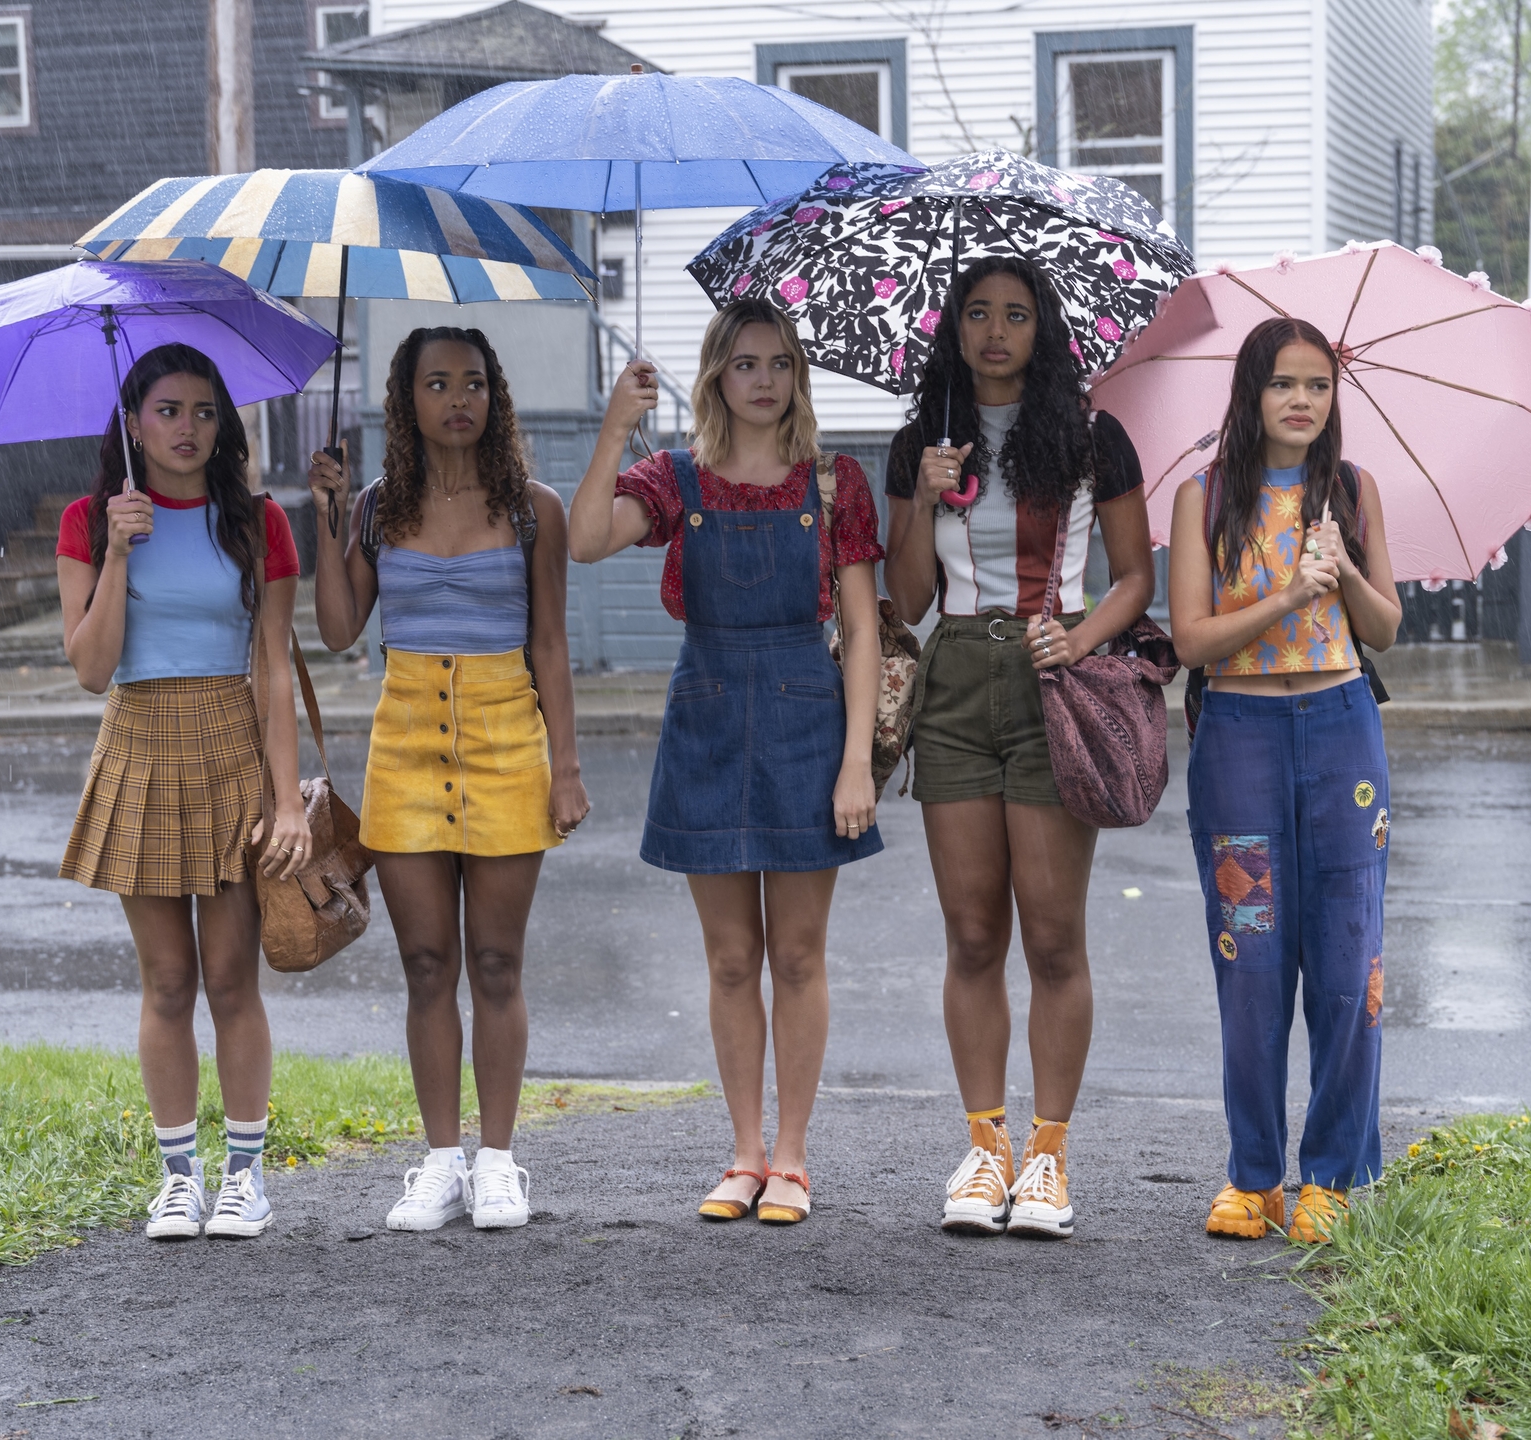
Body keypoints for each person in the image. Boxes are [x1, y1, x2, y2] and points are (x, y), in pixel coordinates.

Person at [567, 298, 883, 1227]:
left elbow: (862, 630)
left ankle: (792, 1157)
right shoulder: (673, 477)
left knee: (796, 952)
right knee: (731, 957)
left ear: (798, 377)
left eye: (780, 364)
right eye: (745, 364)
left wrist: (856, 759)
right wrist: (613, 430)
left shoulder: (833, 484)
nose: (764, 381)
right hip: (705, 716)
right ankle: (742, 1153)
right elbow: (585, 541)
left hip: (806, 721)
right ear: (715, 375)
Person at [882, 256, 1155, 1239]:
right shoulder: (922, 443)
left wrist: (1078, 637)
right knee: (970, 936)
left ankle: (1048, 1154)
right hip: (953, 681)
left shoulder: (1091, 437)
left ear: (1044, 333)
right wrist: (919, 492)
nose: (996, 331)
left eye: (1017, 316)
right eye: (979, 314)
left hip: (1054, 682)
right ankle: (985, 1144)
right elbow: (906, 597)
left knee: (1050, 936)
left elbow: (1134, 578)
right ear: (954, 329)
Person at [309, 326, 587, 1232]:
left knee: (497, 963)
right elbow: (343, 628)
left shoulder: (534, 508)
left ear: (494, 396)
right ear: (409, 399)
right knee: (427, 965)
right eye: (437, 383)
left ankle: (500, 1161)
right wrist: (326, 514)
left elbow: (550, 643)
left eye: (472, 382)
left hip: (510, 740)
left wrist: (566, 769)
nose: (457, 398)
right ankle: (439, 1162)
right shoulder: (379, 508)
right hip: (404, 745)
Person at [57, 343, 310, 1242]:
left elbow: (274, 667)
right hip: (137, 743)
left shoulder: (258, 523)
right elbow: (90, 669)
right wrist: (119, 553)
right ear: (131, 422)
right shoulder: (91, 519)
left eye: (204, 411)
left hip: (230, 742)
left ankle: (246, 1175)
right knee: (167, 981)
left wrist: (287, 802)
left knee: (233, 976)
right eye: (167, 410)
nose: (187, 428)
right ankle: (179, 1177)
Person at [1168, 315, 1402, 1244]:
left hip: (1344, 732)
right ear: (1250, 394)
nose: (1302, 401)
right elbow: (1191, 639)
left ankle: (1334, 1174)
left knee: (1350, 964)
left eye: (1318, 385)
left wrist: (1340, 569)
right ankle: (1254, 1175)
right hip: (1241, 734)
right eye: (1283, 384)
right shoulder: (1205, 495)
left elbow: (1384, 630)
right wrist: (1285, 598)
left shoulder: (1352, 490)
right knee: (1251, 959)